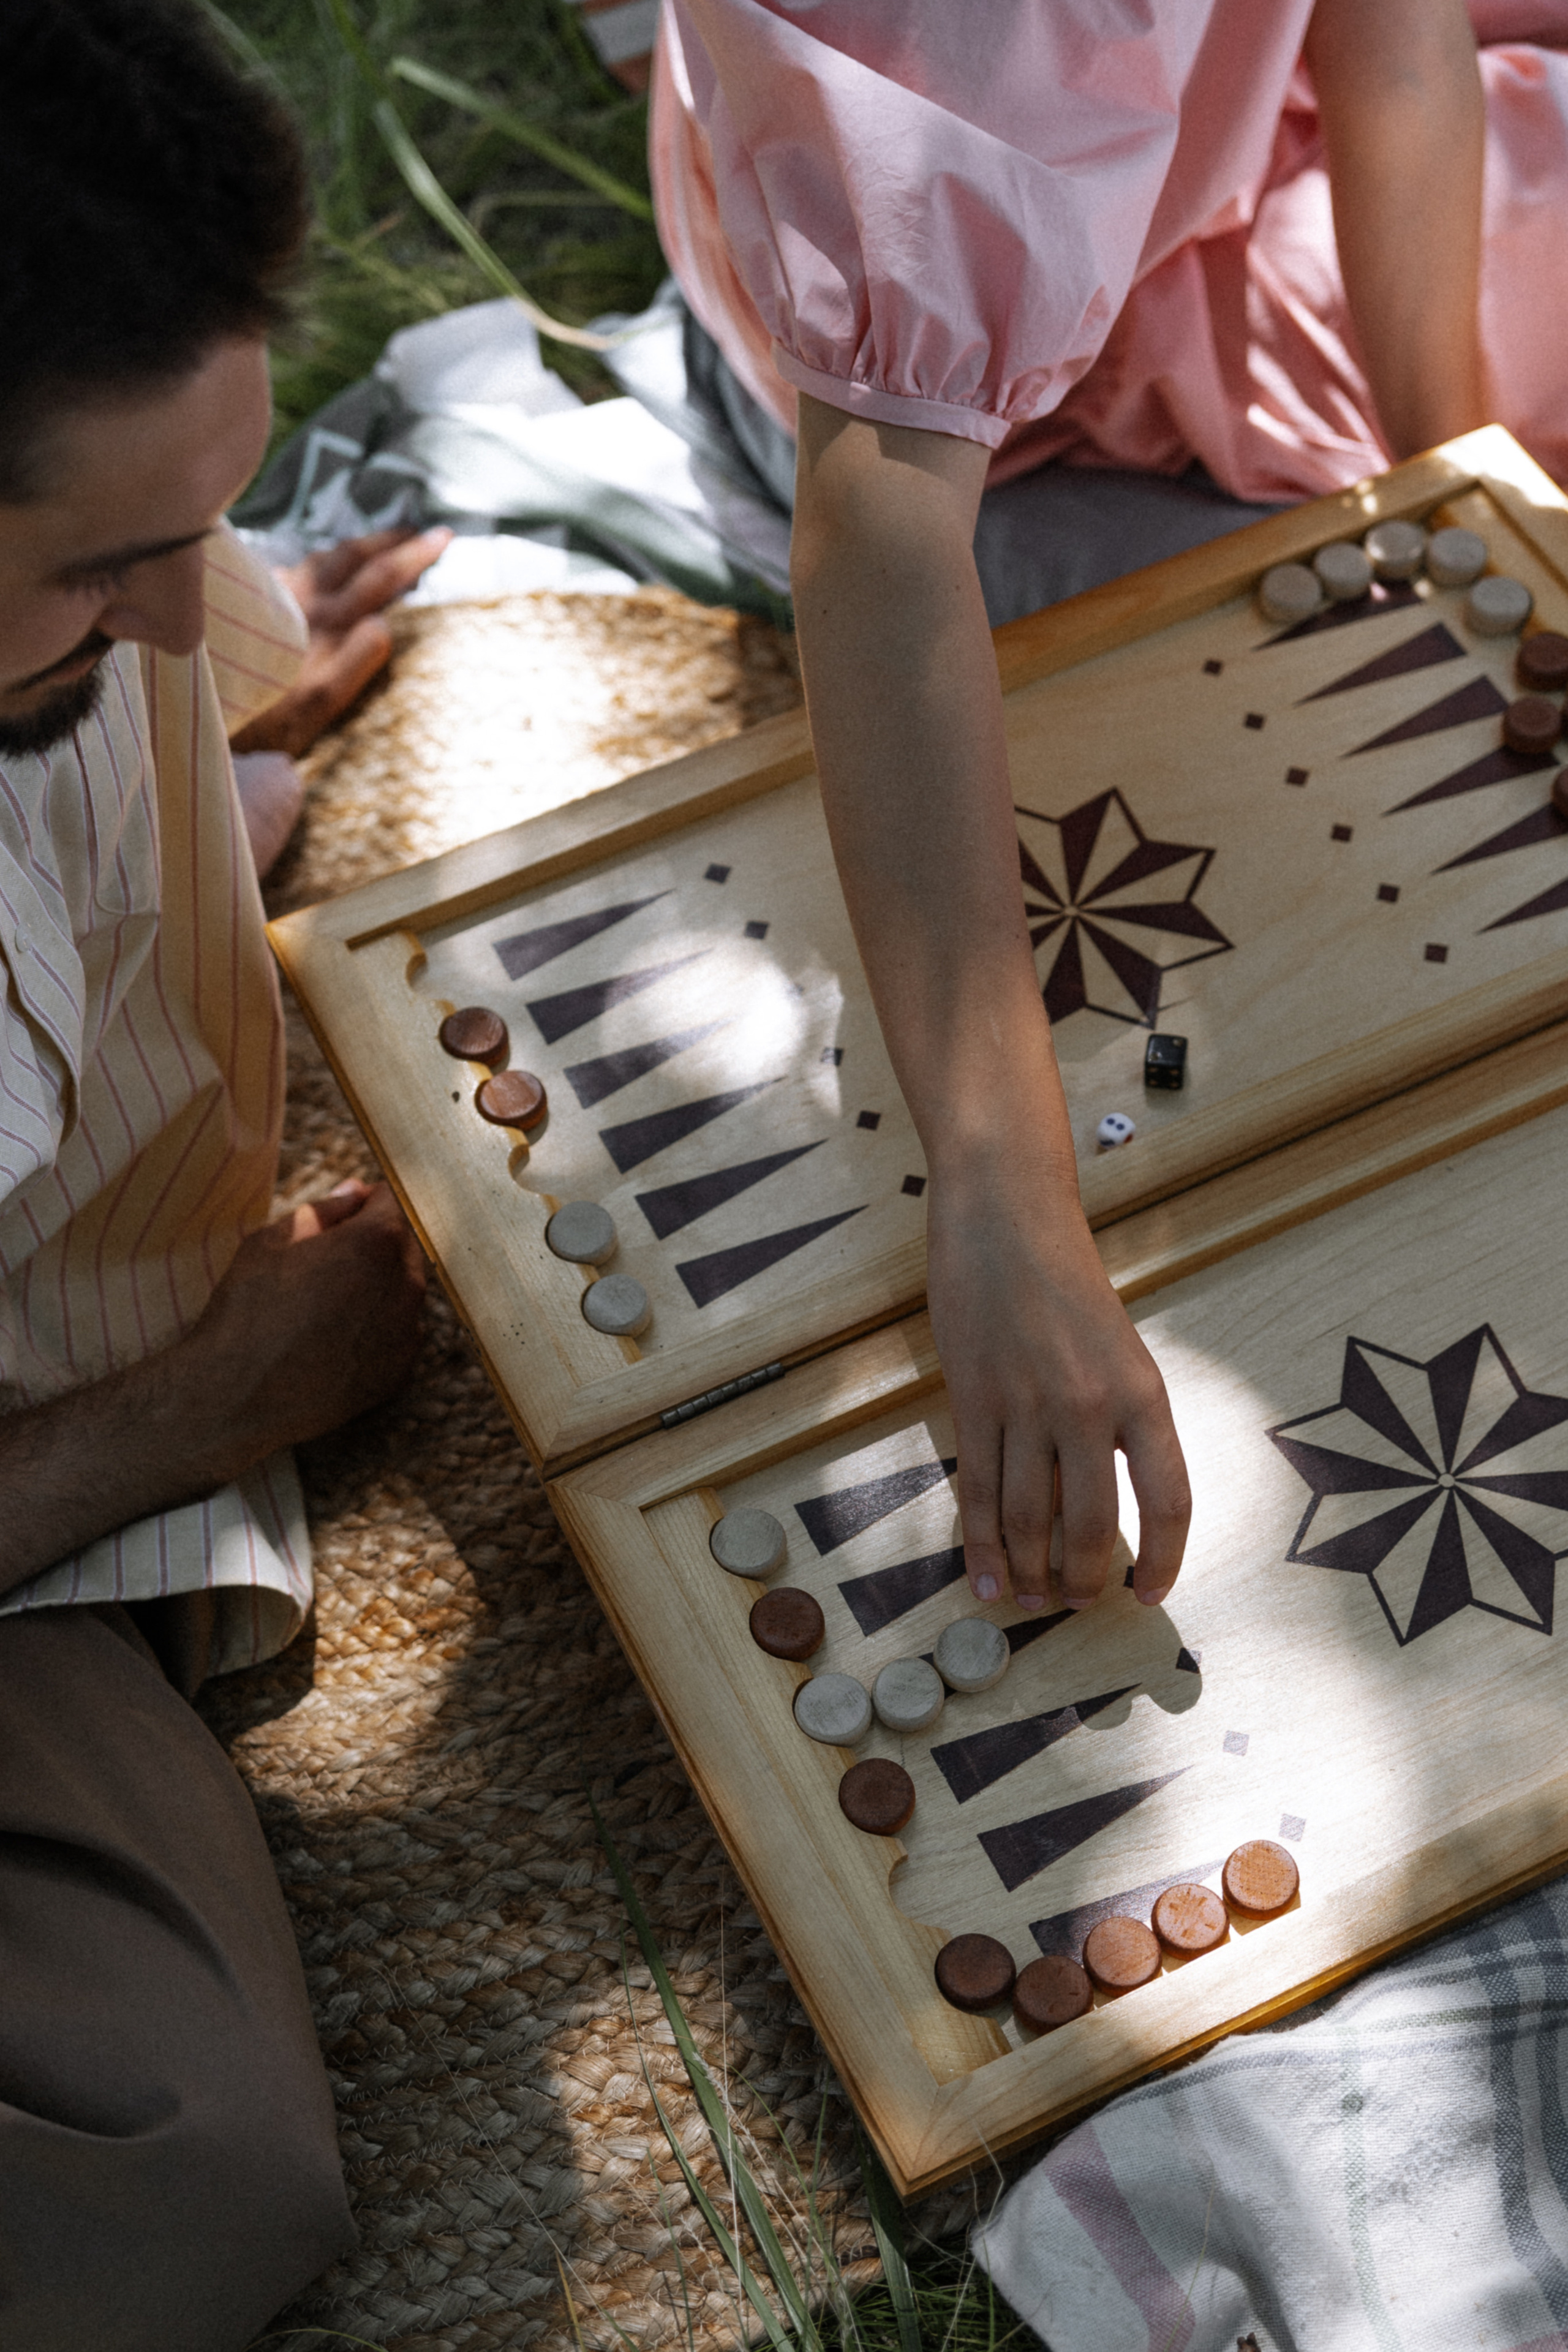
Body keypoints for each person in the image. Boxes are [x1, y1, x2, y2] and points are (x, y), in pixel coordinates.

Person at [649, 0, 1564, 1620]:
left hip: (1206, 131)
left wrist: (1476, 502)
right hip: (933, 308)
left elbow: (1395, 30)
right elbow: (877, 515)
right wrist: (1001, 1198)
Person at [0, 3, 440, 2341]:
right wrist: (205, 1405)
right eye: (108, 572)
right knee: (200, 2171)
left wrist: (218, 692)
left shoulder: (112, 582)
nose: (182, 620)